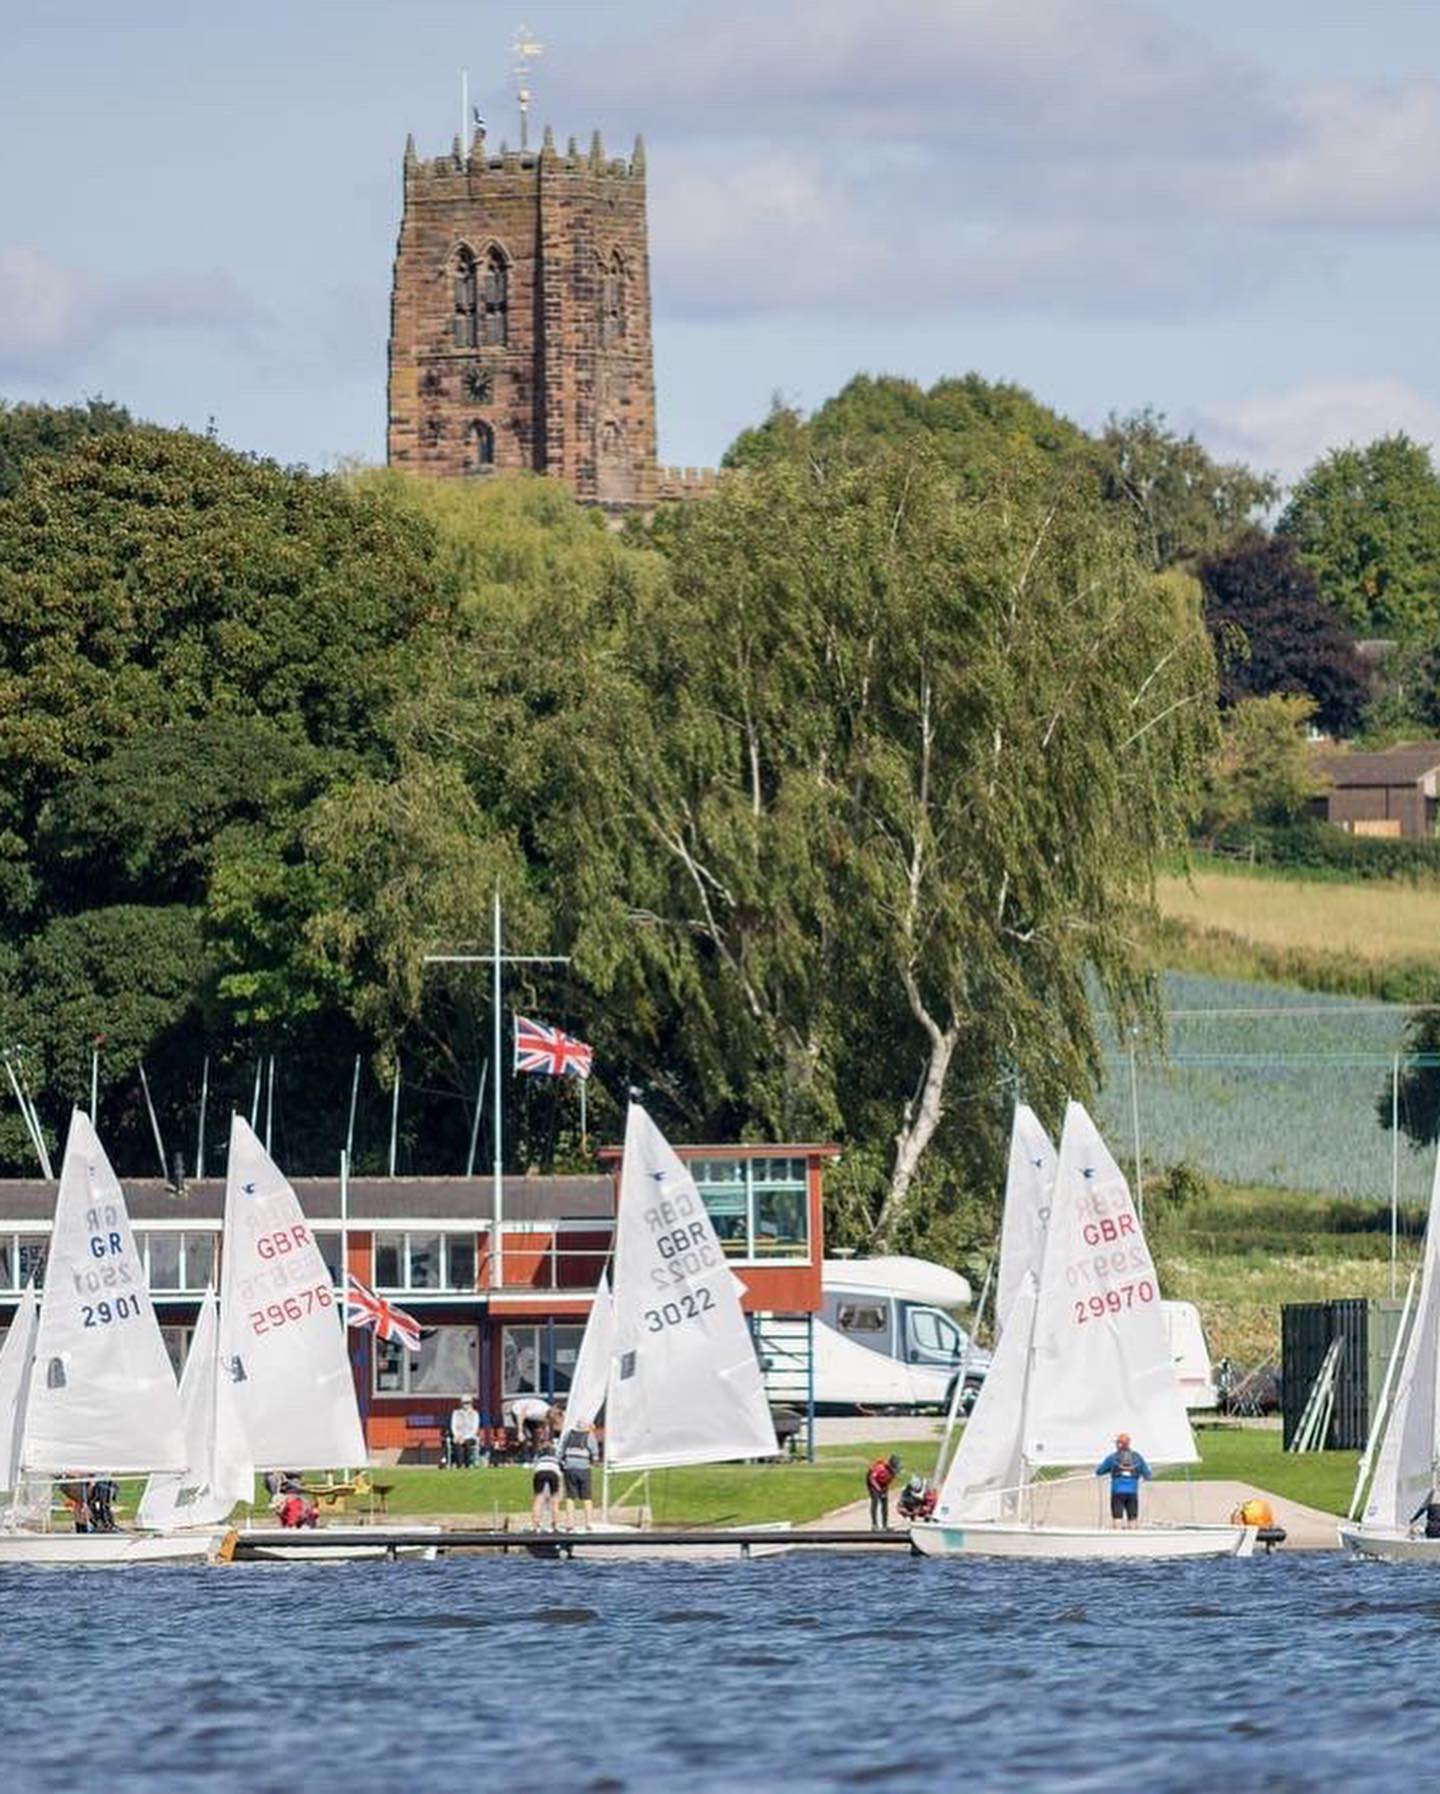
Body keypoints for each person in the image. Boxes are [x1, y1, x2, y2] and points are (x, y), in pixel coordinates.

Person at [1095, 1432, 1152, 1526]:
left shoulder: (1112, 1458)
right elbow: (1148, 1475)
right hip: (1132, 1492)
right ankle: (1132, 1536)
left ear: (1119, 1444)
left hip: (1117, 1492)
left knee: (1117, 1518)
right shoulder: (1137, 1457)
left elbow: (1099, 1471)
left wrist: (1110, 1469)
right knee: (1133, 1519)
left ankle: (1117, 1536)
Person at [559, 1418, 599, 1532]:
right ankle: (589, 1523)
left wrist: (561, 1462)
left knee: (570, 1497)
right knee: (587, 1497)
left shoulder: (569, 1434)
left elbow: (561, 1449)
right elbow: (594, 1452)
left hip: (569, 1468)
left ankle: (570, 1523)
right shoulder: (589, 1436)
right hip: (583, 1469)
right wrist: (595, 1461)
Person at [531, 1428, 563, 1532]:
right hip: (553, 1471)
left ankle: (536, 1524)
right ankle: (555, 1523)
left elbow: (534, 1465)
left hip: (540, 1470)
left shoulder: (539, 1452)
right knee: (554, 1499)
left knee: (538, 1498)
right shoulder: (556, 1451)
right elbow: (560, 1465)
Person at [507, 1393, 551, 1459]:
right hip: (518, 1411)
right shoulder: (537, 1412)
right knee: (524, 1436)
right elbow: (521, 1416)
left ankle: (535, 1455)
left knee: (536, 1434)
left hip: (530, 1415)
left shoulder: (547, 1412)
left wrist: (545, 1439)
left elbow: (545, 1426)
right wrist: (520, 1432)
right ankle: (525, 1456)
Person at [865, 1453, 902, 1531]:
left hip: (882, 1483)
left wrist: (884, 1492)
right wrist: (878, 1489)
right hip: (872, 1480)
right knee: (875, 1500)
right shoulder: (880, 1468)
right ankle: (874, 1525)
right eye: (894, 1468)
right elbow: (872, 1478)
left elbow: (887, 1482)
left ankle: (885, 1525)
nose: (895, 1471)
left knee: (884, 1502)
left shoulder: (893, 1473)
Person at [449, 1395, 481, 1468]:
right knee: (458, 1445)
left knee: (467, 1443)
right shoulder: (456, 1413)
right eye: (464, 1403)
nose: (466, 1405)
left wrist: (464, 1438)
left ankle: (468, 1464)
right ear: (461, 1403)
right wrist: (456, 1436)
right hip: (458, 1437)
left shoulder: (475, 1414)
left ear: (471, 1403)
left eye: (468, 1403)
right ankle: (459, 1465)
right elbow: (453, 1426)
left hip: (470, 1437)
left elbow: (474, 1430)